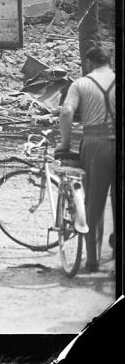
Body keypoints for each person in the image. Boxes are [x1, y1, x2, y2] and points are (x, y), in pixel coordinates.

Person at [58, 45, 118, 273]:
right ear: (109, 62)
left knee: (94, 203)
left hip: (96, 144)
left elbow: (66, 111)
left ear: (90, 63)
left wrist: (64, 144)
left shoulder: (81, 83)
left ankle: (92, 260)